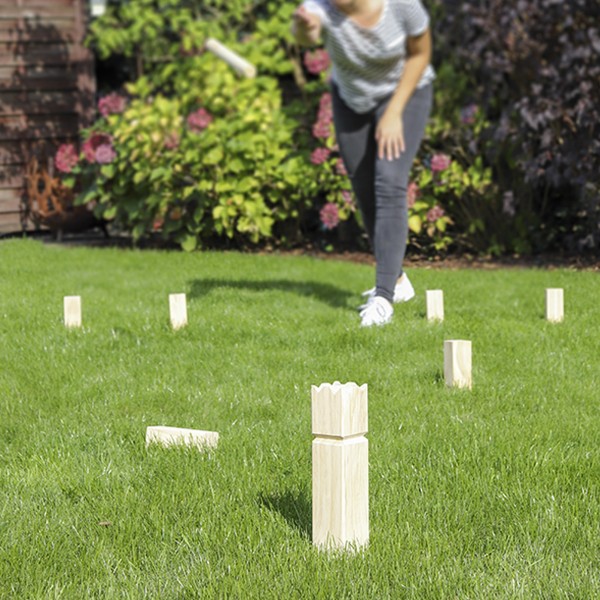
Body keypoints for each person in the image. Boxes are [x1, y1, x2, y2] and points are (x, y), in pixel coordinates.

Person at [293, 0, 435, 326]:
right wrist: (304, 27)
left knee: (389, 182)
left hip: (406, 93)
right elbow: (307, 32)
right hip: (351, 99)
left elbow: (420, 53)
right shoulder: (322, 5)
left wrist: (394, 113)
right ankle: (397, 281)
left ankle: (383, 298)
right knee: (364, 187)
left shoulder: (401, 6)